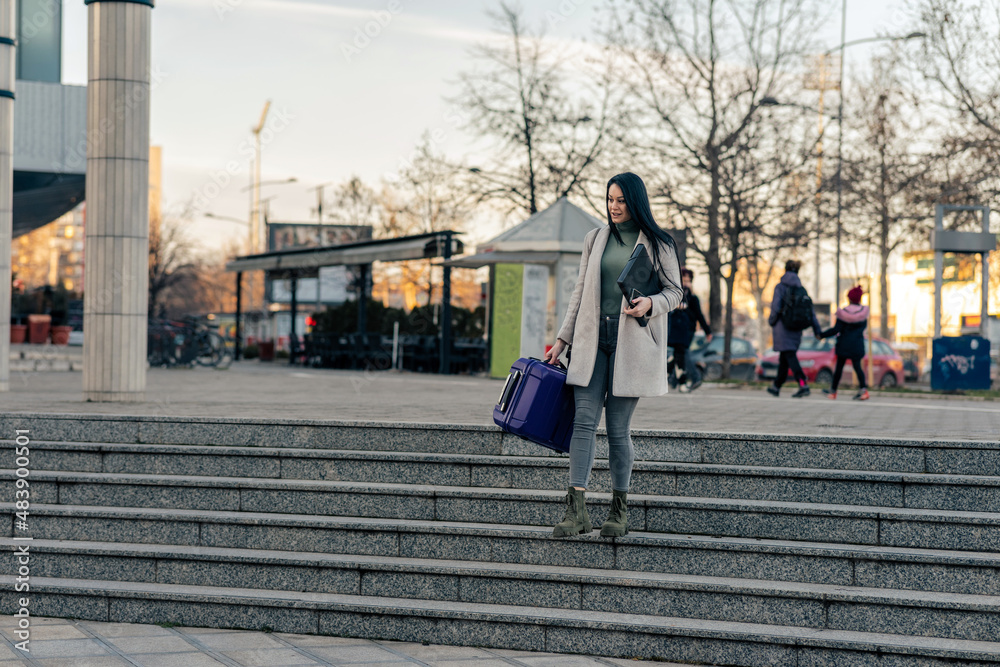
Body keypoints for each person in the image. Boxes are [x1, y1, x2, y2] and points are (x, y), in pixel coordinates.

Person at [543, 172, 684, 538]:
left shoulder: (658, 243)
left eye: (621, 200)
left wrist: (649, 303)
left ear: (635, 201)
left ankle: (618, 511)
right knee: (584, 422)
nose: (614, 207)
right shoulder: (595, 239)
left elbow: (675, 293)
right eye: (609, 200)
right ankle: (576, 512)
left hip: (631, 344)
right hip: (592, 342)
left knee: (618, 429)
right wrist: (562, 340)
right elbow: (578, 294)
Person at [766, 260, 821, 398]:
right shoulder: (801, 290)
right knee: (785, 357)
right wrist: (817, 330)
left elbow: (775, 307)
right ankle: (776, 386)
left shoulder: (780, 287)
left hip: (782, 327)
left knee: (789, 356)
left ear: (785, 270)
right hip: (796, 328)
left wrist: (772, 321)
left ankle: (803, 384)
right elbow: (811, 312)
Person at [818, 285, 870, 401]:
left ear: (849, 298)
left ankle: (833, 391)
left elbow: (835, 330)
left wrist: (821, 335)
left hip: (844, 345)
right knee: (857, 367)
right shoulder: (863, 313)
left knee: (839, 368)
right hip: (857, 345)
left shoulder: (843, 313)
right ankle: (863, 390)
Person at [668, 268, 712, 391]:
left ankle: (684, 379)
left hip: (688, 331)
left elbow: (699, 315)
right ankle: (678, 380)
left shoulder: (693, 299)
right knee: (680, 355)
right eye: (684, 280)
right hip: (676, 331)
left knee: (681, 354)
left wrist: (707, 331)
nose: (686, 283)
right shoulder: (674, 295)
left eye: (689, 280)